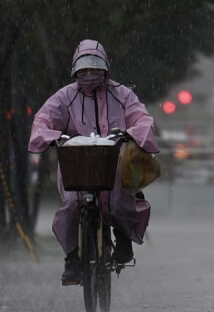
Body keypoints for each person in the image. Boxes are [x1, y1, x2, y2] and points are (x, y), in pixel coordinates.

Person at [28, 39, 159, 283]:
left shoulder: (122, 94)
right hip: (75, 164)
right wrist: (53, 136)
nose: (89, 74)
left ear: (106, 68)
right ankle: (72, 257)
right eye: (84, 69)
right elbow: (43, 119)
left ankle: (122, 238)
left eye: (95, 68)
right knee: (69, 206)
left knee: (121, 201)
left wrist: (132, 133)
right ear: (75, 70)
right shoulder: (64, 97)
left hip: (113, 163)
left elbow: (141, 117)